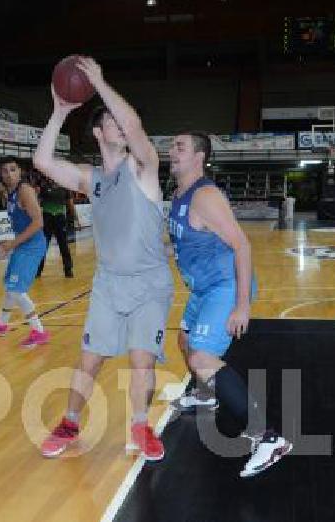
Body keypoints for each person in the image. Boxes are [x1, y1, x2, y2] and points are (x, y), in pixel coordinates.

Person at [33, 57, 173, 460]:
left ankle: (140, 425)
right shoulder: (90, 179)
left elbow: (135, 128)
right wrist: (59, 113)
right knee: (89, 360)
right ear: (98, 133)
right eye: (109, 119)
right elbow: (42, 162)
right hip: (109, 283)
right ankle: (69, 423)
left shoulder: (143, 166)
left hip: (149, 283)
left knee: (142, 359)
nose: (121, 125)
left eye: (120, 119)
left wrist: (101, 83)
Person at [167, 131, 292, 477]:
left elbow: (243, 245)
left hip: (225, 286)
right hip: (203, 288)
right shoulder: (179, 193)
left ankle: (269, 437)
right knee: (184, 340)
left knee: (202, 357)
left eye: (180, 147)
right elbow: (189, 241)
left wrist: (242, 306)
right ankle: (206, 395)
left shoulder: (204, 195)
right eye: (171, 145)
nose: (171, 151)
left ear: (199, 156)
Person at [0, 160, 50, 347]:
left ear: (20, 172)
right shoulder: (9, 193)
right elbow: (22, 223)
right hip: (23, 244)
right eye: (4, 170)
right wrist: (11, 241)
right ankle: (1, 324)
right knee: (10, 285)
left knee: (16, 289)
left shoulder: (24, 190)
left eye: (12, 169)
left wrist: (12, 243)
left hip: (32, 246)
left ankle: (39, 331)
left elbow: (38, 222)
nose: (8, 174)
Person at [36, 176, 75, 278]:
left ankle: (68, 269)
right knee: (43, 245)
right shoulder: (44, 187)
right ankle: (37, 271)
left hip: (59, 218)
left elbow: (70, 204)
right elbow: (38, 204)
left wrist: (74, 218)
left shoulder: (65, 188)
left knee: (63, 244)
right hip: (47, 218)